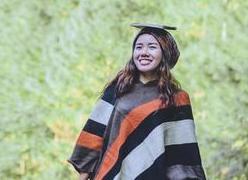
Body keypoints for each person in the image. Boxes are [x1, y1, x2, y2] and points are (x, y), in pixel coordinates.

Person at [68, 23, 206, 180]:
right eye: (139, 47)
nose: (144, 52)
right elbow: (94, 135)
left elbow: (184, 153)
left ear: (165, 53)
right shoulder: (117, 90)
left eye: (152, 47)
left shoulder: (178, 98)